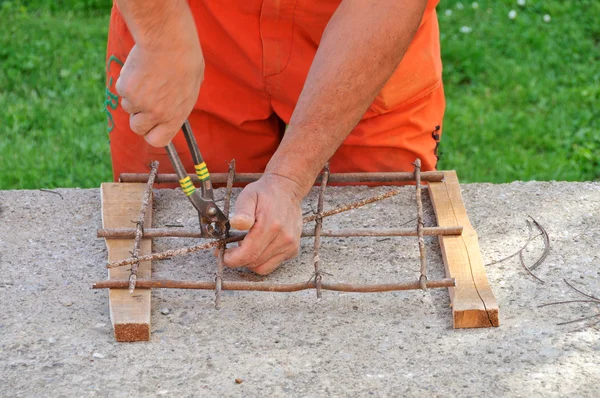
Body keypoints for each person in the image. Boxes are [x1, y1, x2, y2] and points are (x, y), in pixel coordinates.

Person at [104, 0, 444, 275]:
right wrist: (161, 40)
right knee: (160, 240)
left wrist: (289, 178)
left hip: (364, 37)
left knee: (387, 240)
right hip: (188, 28)